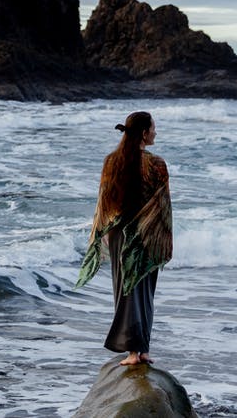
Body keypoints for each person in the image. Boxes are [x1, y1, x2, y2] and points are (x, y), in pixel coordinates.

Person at [74, 111, 173, 366]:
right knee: (145, 291)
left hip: (120, 231)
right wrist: (163, 238)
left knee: (126, 290)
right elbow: (162, 206)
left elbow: (104, 202)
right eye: (153, 128)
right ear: (143, 133)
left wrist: (104, 231)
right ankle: (141, 351)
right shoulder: (157, 164)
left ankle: (135, 352)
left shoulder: (111, 162)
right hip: (147, 232)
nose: (156, 132)